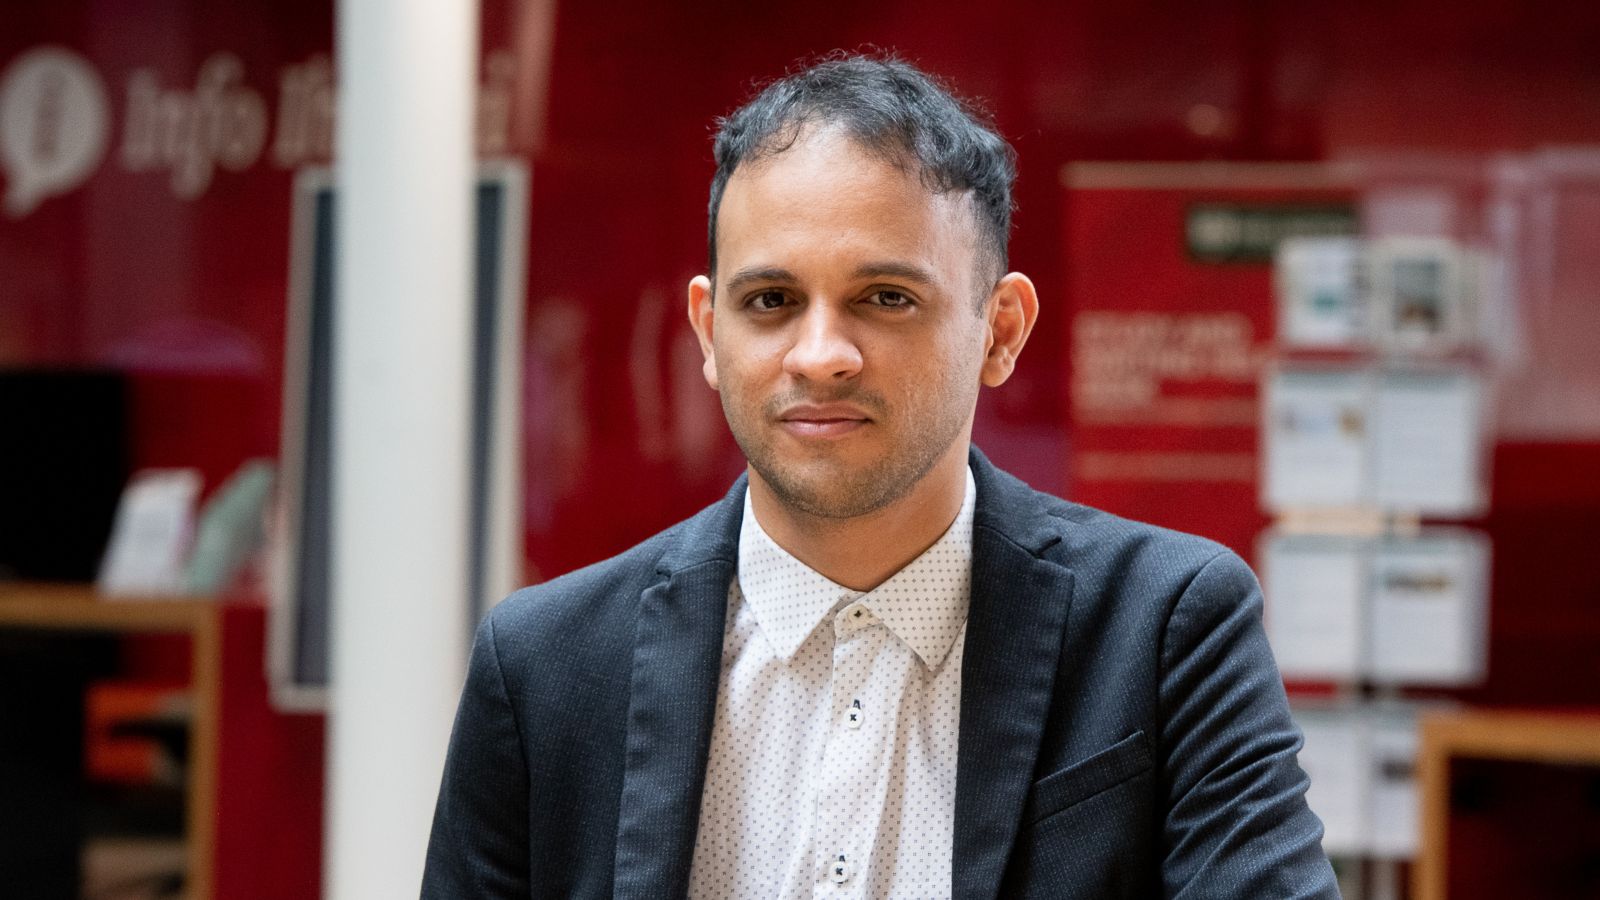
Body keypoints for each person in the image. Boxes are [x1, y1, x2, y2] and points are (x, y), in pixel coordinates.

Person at [422, 53, 1338, 899]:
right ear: (708, 332)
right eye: (771, 301)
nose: (820, 355)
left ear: (1002, 330)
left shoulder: (1167, 631)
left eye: (886, 297)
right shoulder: (547, 668)